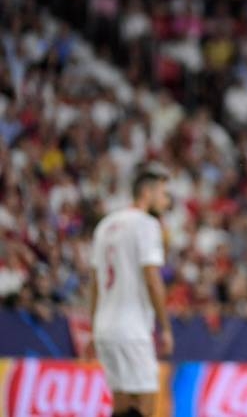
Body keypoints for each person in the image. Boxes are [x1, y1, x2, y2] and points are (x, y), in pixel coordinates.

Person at [88, 164, 173, 417]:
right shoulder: (146, 224)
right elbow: (152, 278)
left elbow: (95, 283)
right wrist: (165, 327)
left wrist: (94, 327)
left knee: (123, 406)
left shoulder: (105, 225)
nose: (166, 201)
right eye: (163, 194)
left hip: (105, 328)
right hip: (132, 329)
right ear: (146, 193)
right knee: (147, 405)